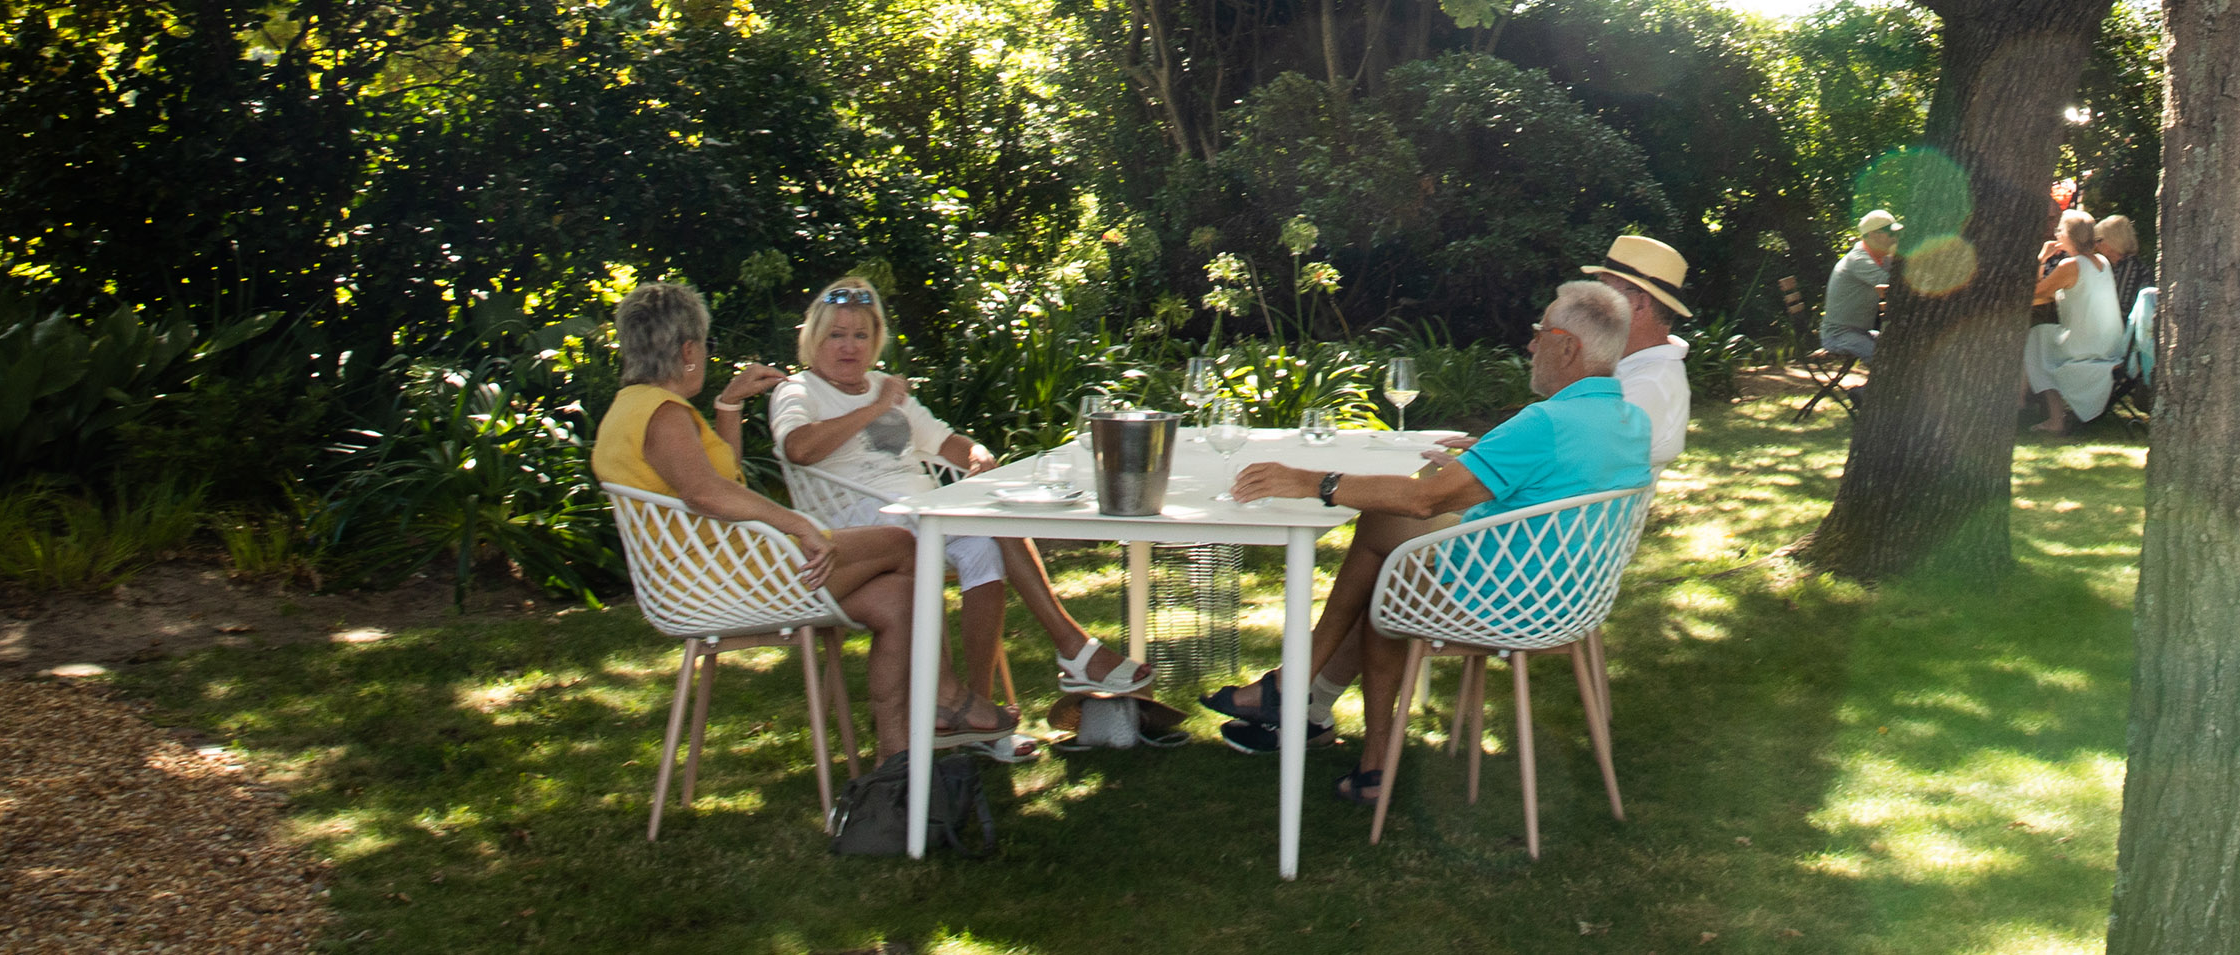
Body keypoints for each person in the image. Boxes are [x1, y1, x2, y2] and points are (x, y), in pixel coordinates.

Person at [1210, 279, 1653, 805]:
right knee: (1385, 540)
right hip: (1568, 599)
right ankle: (1300, 693)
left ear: (1568, 347)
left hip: (1501, 604)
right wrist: (1486, 456)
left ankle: (1330, 720)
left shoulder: (1545, 423)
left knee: (1387, 570)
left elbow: (1424, 500)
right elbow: (1555, 478)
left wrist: (1313, 482)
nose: (1531, 343)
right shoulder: (1630, 420)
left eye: (1540, 332)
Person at [770, 276, 1152, 728]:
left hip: (923, 511)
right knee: (992, 521)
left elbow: (943, 439)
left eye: (861, 335)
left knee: (985, 547)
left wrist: (977, 455)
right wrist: (875, 407)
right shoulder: (798, 391)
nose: (850, 347)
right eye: (837, 335)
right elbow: (799, 448)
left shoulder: (882, 386)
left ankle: (975, 701)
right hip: (861, 525)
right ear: (815, 338)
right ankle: (1073, 648)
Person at [590, 279, 927, 735]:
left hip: (708, 577)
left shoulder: (630, 409)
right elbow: (705, 493)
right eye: (704, 345)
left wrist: (729, 404)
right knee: (903, 545)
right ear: (688, 350)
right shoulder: (664, 415)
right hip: (724, 582)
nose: (703, 355)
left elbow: (722, 479)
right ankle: (943, 703)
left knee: (898, 598)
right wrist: (798, 524)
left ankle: (898, 753)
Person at [1583, 232, 1694, 466]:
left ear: (1639, 304)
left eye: (1603, 291)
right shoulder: (1640, 368)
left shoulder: (1649, 383)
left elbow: (1577, 459)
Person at [2023, 210, 2122, 433]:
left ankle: (2054, 418)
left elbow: (2034, 292)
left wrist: (2041, 258)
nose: (2056, 234)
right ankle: (2052, 415)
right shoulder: (2102, 261)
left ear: (2069, 235)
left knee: (2035, 339)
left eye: (2060, 230)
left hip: (2085, 345)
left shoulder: (2070, 266)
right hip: (2110, 343)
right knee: (2043, 337)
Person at [1819, 212, 1896, 361]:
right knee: (1884, 359)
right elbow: (1892, 284)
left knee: (1897, 347)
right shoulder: (1858, 259)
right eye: (1891, 233)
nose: (1895, 238)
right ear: (1873, 235)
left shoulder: (1879, 258)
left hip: (1861, 333)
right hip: (1839, 335)